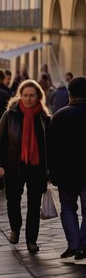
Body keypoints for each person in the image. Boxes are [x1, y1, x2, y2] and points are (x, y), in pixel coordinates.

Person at [0, 79, 51, 254]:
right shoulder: (10, 115)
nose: (28, 99)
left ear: (38, 96)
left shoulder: (44, 118)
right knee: (13, 201)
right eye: (25, 95)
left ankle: (31, 240)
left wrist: (50, 170)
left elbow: (51, 147)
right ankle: (15, 228)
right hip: (13, 166)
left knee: (34, 205)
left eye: (32, 95)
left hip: (36, 167)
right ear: (20, 96)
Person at [49, 76, 86, 259]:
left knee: (68, 208)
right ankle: (83, 246)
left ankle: (74, 244)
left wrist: (51, 172)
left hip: (65, 174)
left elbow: (51, 148)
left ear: (70, 95)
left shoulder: (60, 115)